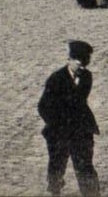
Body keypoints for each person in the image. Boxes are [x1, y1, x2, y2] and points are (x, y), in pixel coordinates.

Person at [37, 38, 100, 197]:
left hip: (80, 130)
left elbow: (80, 102)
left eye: (85, 64)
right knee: (57, 165)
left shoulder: (87, 77)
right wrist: (56, 124)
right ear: (69, 60)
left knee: (85, 166)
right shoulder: (56, 79)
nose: (82, 68)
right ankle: (55, 190)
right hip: (59, 131)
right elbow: (43, 106)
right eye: (79, 63)